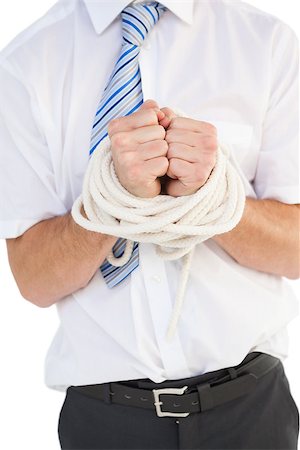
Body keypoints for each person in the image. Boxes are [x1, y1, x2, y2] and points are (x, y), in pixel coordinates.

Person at [0, 0, 299, 448]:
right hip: (105, 424)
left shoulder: (268, 44)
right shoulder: (27, 63)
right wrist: (115, 200)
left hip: (250, 413)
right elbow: (34, 279)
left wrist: (209, 194)